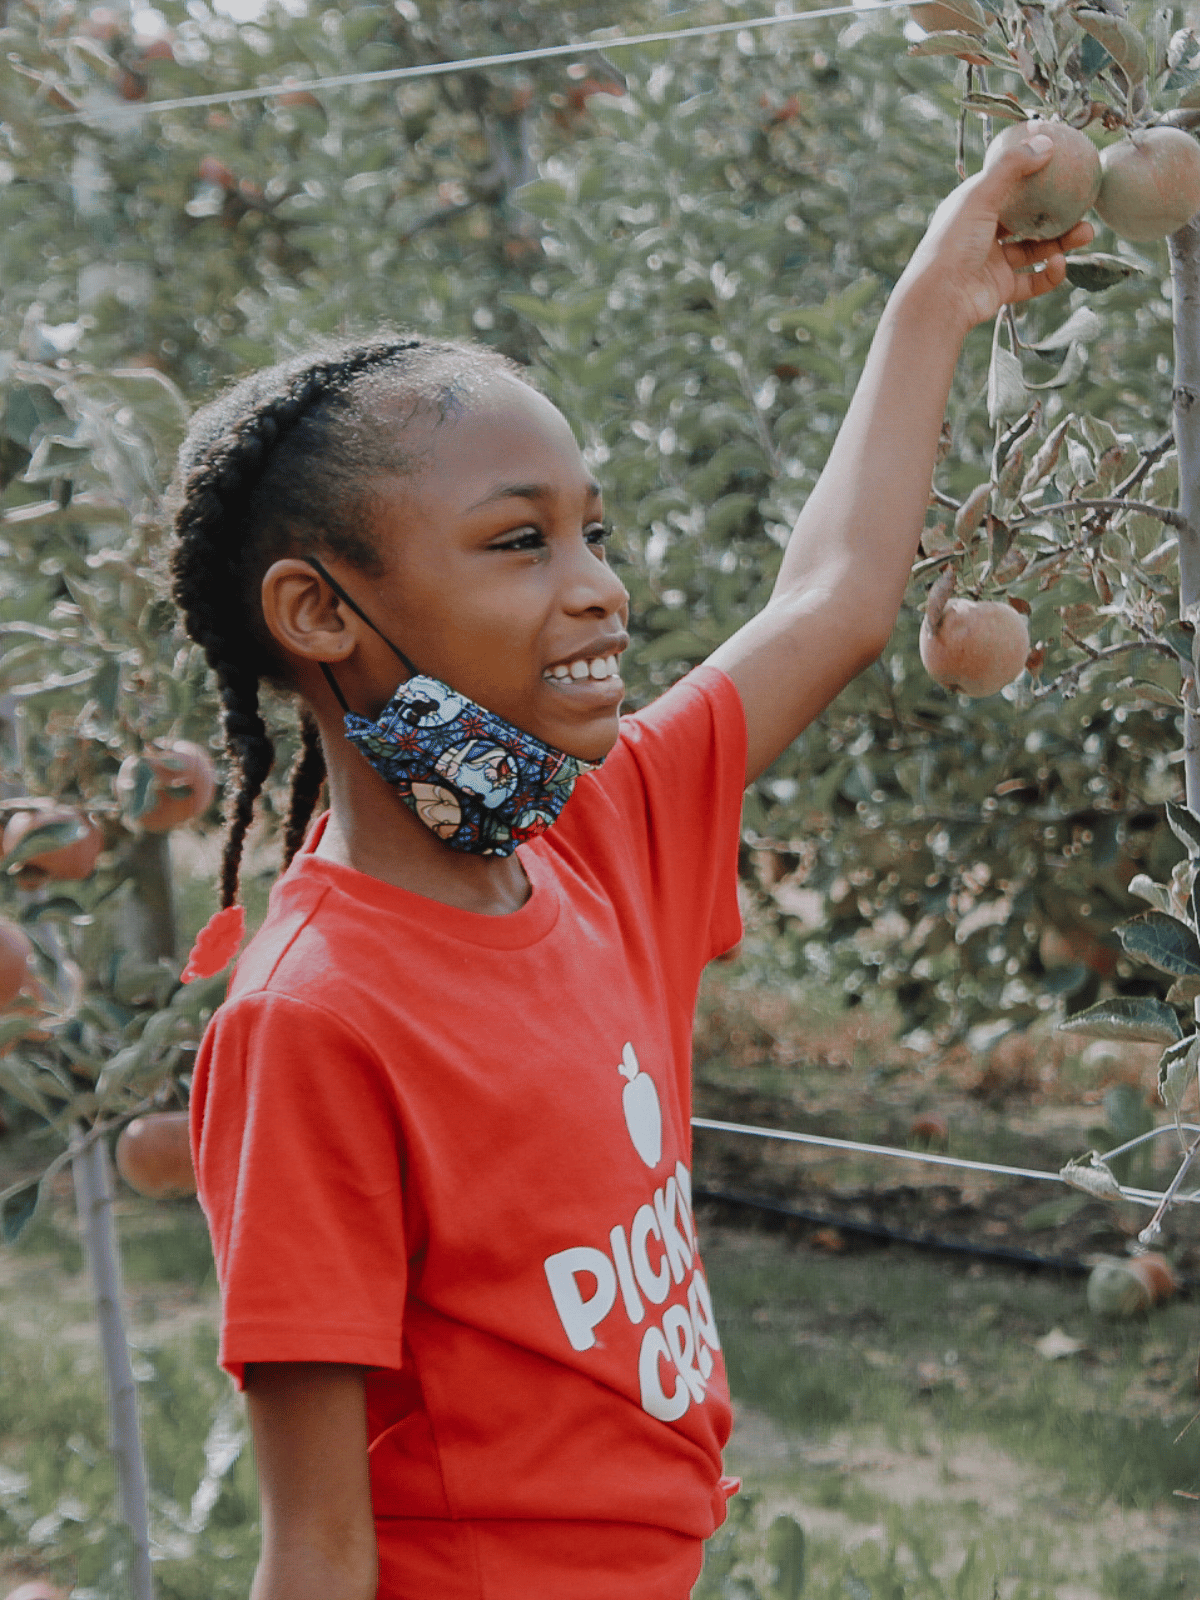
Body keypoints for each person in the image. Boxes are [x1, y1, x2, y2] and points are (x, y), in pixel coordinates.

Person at [169, 133, 1090, 1600]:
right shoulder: (315, 1023)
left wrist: (935, 296)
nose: (599, 582)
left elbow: (839, 600)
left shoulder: (589, 848)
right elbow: (320, 1549)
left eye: (591, 529)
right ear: (320, 611)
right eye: (519, 542)